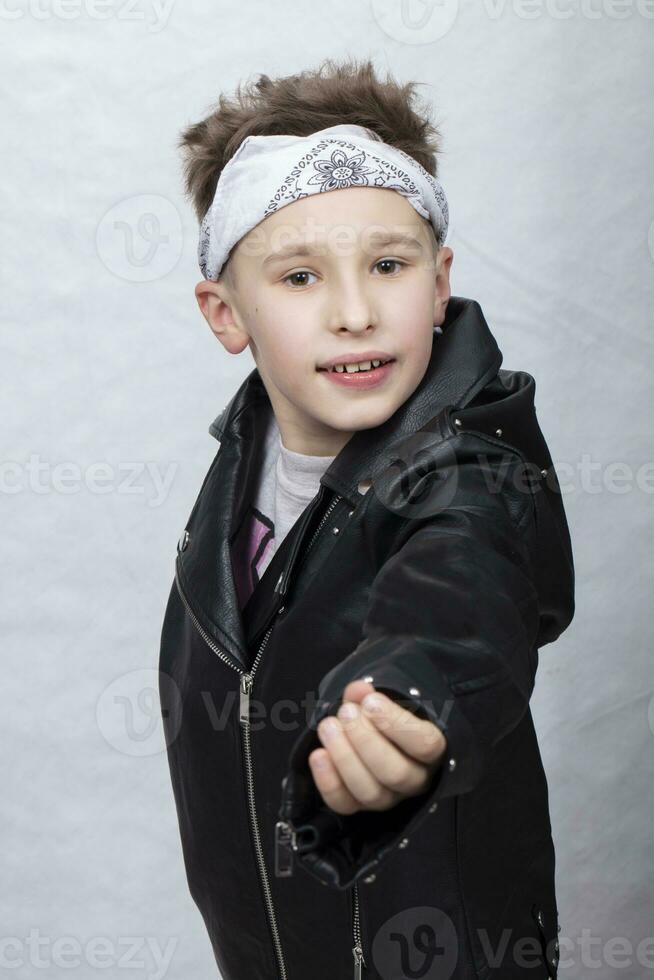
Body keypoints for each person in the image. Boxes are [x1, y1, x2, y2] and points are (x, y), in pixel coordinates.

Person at [158, 57, 575, 980]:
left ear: (439, 282)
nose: (354, 313)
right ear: (227, 315)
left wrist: (414, 698)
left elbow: (461, 591)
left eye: (388, 265)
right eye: (300, 277)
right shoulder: (246, 452)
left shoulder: (470, 471)